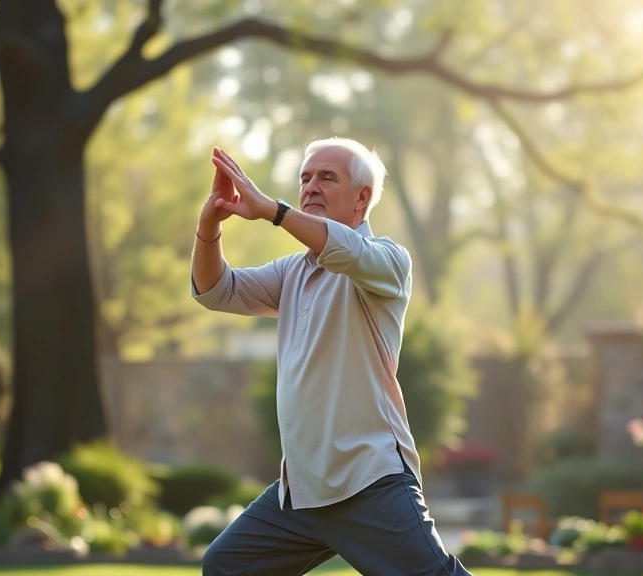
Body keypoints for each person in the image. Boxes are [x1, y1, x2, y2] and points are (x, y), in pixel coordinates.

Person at [191, 137, 471, 576]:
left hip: (369, 482)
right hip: (300, 496)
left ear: (362, 198)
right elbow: (215, 290)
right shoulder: (292, 272)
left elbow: (346, 251)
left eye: (327, 177)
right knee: (226, 566)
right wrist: (210, 225)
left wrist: (274, 211)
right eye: (305, 178)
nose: (310, 187)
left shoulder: (388, 261)